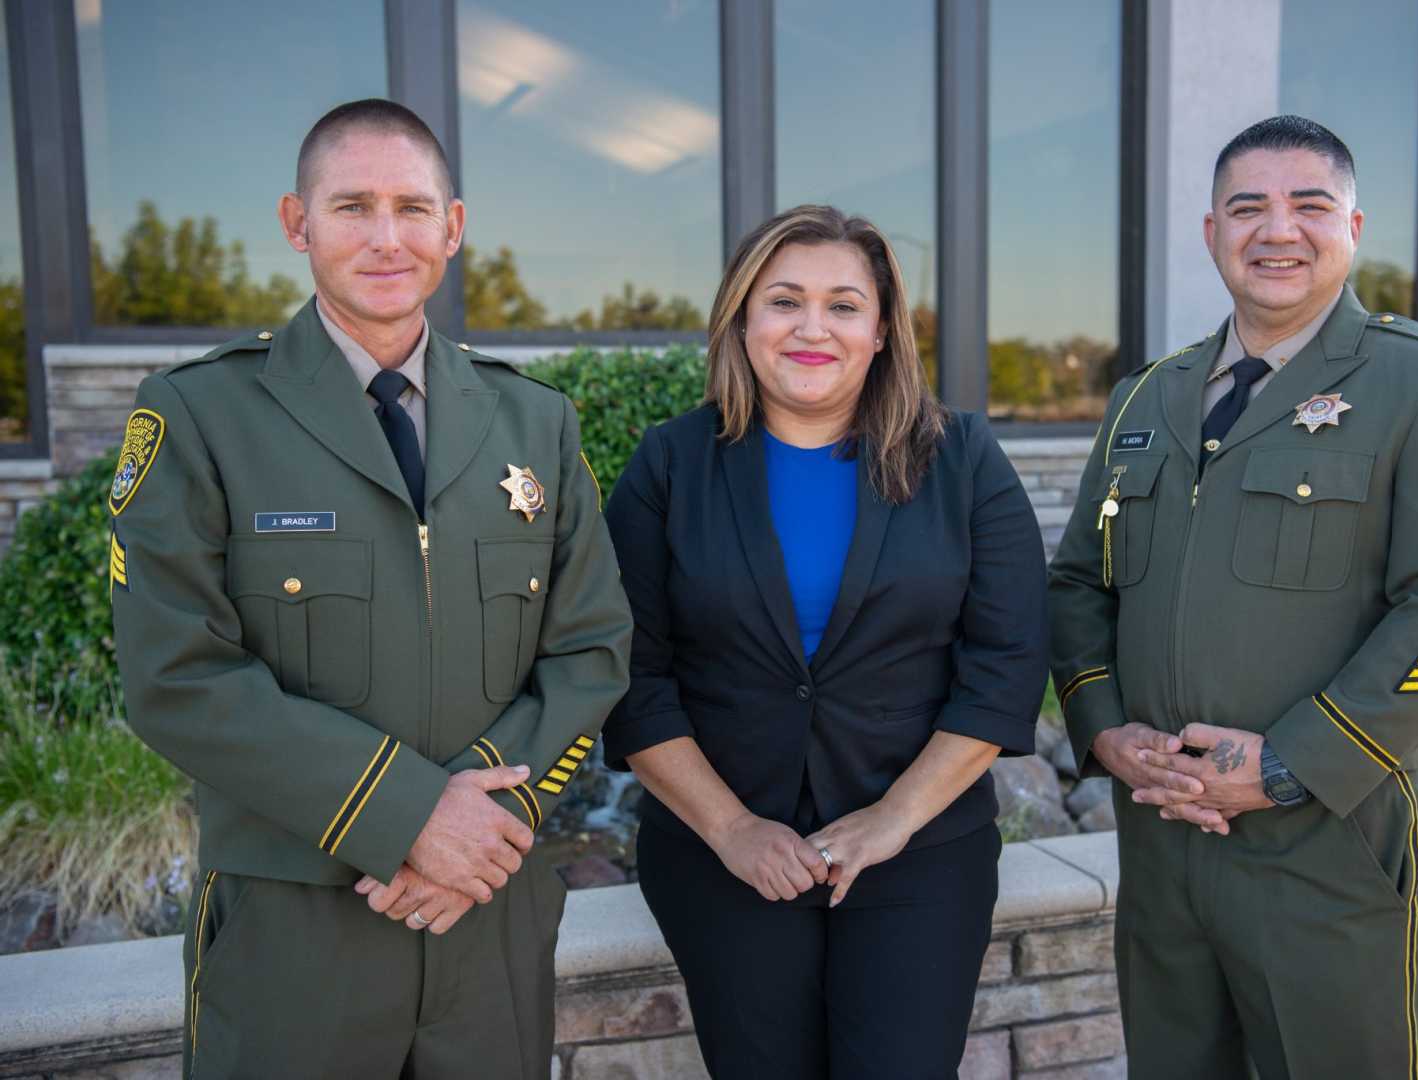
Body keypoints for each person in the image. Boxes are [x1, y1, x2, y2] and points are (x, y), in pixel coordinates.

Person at [107, 98, 632, 1078]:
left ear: (454, 227)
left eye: (411, 207)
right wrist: (404, 819)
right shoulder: (200, 416)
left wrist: (488, 822)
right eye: (351, 206)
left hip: (488, 920)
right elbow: (175, 673)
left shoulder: (536, 425)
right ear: (296, 224)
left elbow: (591, 645)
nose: (386, 238)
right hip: (296, 927)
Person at [1049, 115, 1418, 1079]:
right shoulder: (1146, 397)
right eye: (1248, 207)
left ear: (1353, 226)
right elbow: (1076, 583)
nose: (1278, 229)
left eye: (1309, 205)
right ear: (1210, 232)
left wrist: (1288, 765)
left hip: (1330, 842)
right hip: (1163, 841)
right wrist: (1104, 730)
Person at [602, 204, 1048, 1078]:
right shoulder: (669, 465)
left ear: (882, 331)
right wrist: (731, 829)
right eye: (783, 301)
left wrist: (893, 818)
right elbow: (629, 673)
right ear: (741, 319)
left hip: (920, 851)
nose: (814, 328)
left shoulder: (963, 461)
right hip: (722, 855)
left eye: (844, 305)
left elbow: (1004, 665)